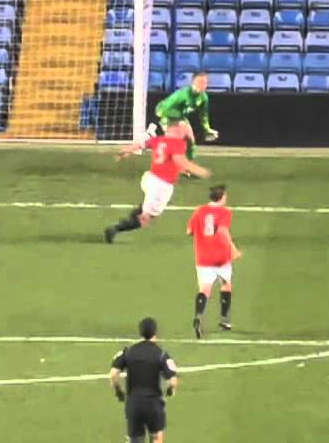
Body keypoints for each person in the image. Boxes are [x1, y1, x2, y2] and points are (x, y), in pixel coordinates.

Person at [104, 122, 211, 243]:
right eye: (185, 130)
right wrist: (200, 171)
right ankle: (115, 229)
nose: (186, 132)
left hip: (149, 179)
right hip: (161, 186)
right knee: (145, 218)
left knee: (147, 212)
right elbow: (180, 161)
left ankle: (129, 219)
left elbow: (140, 145)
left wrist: (125, 151)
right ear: (177, 131)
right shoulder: (178, 143)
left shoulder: (159, 140)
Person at [110, 317, 179, 443]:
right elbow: (173, 380)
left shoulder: (129, 351)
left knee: (135, 439)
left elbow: (113, 374)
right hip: (153, 405)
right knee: (157, 437)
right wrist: (170, 390)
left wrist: (118, 391)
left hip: (134, 404)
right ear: (155, 332)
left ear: (140, 332)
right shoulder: (161, 354)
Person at [187, 184, 243, 339]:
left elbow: (189, 231)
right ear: (222, 197)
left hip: (203, 257)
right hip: (221, 257)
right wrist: (233, 249)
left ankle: (198, 317)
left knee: (204, 289)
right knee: (226, 284)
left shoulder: (199, 211)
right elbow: (223, 231)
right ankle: (225, 320)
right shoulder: (225, 212)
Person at [154, 72, 218, 163]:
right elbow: (164, 108)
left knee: (190, 140)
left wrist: (207, 129)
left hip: (180, 116)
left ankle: (188, 165)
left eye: (205, 83)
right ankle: (162, 166)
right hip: (166, 114)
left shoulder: (203, 97)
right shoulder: (182, 95)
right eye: (201, 82)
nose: (204, 85)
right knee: (173, 143)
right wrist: (164, 123)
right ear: (194, 82)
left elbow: (203, 115)